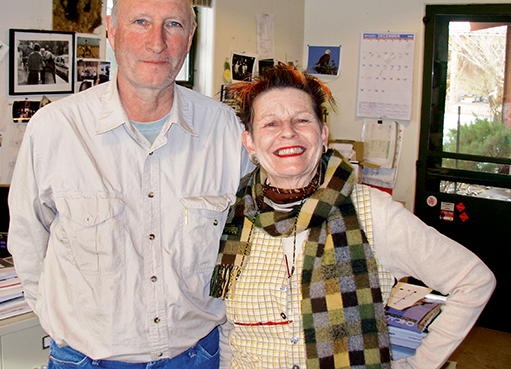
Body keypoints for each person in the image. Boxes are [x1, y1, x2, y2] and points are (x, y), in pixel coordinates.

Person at [8, 0, 252, 369]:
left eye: (173, 24)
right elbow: (28, 240)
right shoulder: (56, 129)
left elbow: (243, 241)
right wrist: (67, 328)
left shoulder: (224, 130)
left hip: (196, 356)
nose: (157, 42)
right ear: (111, 29)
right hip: (87, 360)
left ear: (190, 37)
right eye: (141, 21)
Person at [210, 64, 496, 369]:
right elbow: (230, 328)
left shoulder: (373, 211)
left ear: (323, 134)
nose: (288, 132)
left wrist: (417, 366)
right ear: (250, 143)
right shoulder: (235, 217)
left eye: (302, 120)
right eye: (270, 124)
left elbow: (474, 281)